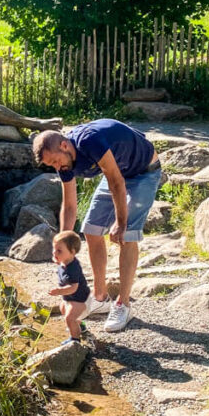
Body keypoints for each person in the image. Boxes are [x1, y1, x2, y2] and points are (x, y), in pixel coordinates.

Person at [31, 119, 162, 332]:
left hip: (143, 172)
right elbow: (70, 205)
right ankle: (101, 298)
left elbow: (116, 182)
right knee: (91, 229)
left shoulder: (89, 141)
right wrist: (63, 241)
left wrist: (121, 223)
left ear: (64, 146)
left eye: (55, 161)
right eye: (51, 165)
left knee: (126, 235)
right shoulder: (63, 162)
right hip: (115, 172)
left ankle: (123, 304)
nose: (57, 167)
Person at [49, 230, 90, 344]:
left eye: (59, 251)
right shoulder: (65, 261)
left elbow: (73, 288)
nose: (54, 253)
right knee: (63, 309)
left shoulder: (73, 268)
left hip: (81, 299)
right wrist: (58, 259)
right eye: (54, 249)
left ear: (72, 252)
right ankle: (80, 326)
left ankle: (75, 340)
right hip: (71, 297)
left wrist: (59, 291)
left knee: (69, 318)